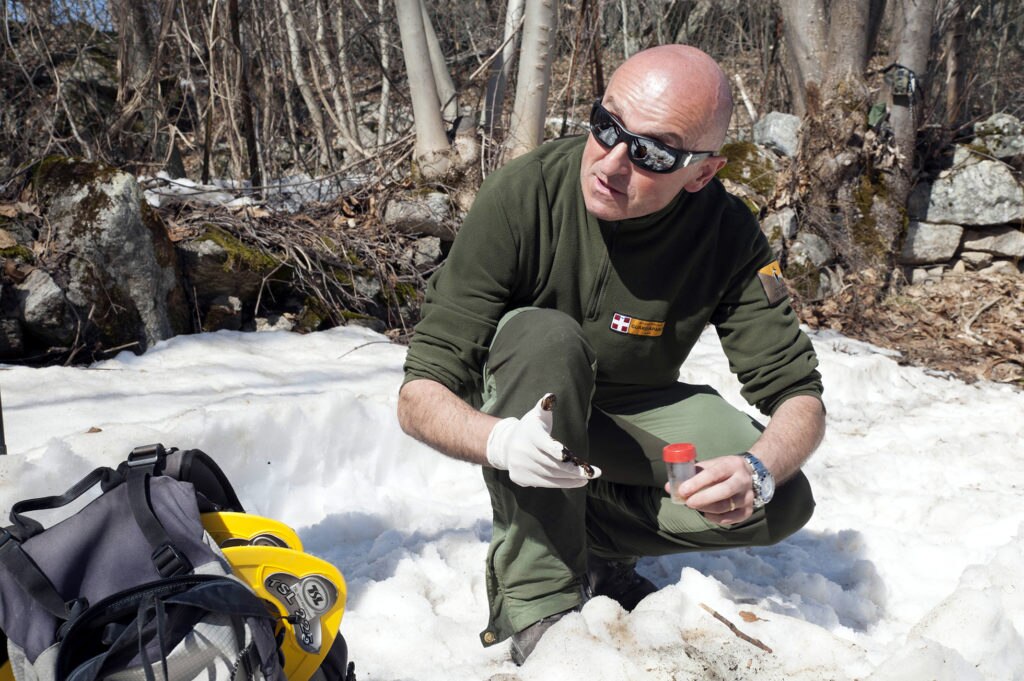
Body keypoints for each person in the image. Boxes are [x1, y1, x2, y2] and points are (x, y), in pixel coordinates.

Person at [397, 44, 825, 665]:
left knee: (783, 497)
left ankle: (595, 538)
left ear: (702, 173)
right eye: (606, 126)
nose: (612, 161)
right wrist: (500, 442)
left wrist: (756, 470)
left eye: (652, 153)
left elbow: (798, 395)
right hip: (518, 414)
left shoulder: (726, 232)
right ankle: (539, 600)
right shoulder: (525, 194)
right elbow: (418, 394)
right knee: (544, 334)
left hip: (627, 416)